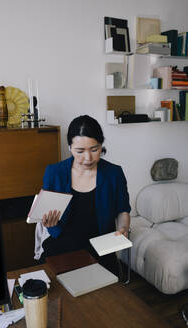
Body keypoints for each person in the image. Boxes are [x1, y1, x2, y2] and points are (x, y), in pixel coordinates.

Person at [36, 115, 131, 276]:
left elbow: (123, 210)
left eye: (94, 149)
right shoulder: (54, 172)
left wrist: (123, 228)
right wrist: (46, 221)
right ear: (70, 147)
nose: (88, 158)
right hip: (62, 247)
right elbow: (46, 214)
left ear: (101, 145)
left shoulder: (114, 173)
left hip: (100, 247)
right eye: (80, 151)